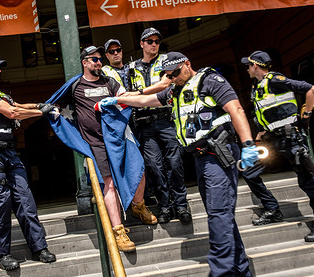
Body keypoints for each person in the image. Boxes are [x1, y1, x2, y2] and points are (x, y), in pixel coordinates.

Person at [101, 52, 259, 276]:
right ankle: (241, 269)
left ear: (187, 64)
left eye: (175, 73)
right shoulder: (175, 90)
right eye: (168, 75)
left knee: (218, 214)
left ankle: (222, 272)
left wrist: (248, 144)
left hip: (218, 155)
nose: (172, 77)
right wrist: (119, 99)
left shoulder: (210, 81)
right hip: (200, 159)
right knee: (222, 215)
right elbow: (147, 100)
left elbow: (236, 109)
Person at [47, 45, 157, 253]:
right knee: (109, 185)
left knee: (139, 169)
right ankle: (118, 231)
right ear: (85, 62)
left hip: (119, 138)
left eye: (100, 59)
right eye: (94, 59)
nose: (99, 62)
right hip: (96, 143)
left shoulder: (110, 82)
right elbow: (53, 105)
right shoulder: (75, 85)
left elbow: (126, 97)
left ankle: (138, 206)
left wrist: (118, 98)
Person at [0, 52, 56, 271]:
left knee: (25, 199)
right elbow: (12, 112)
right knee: (0, 203)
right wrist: (42, 112)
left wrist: (40, 105)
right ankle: (2, 254)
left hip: (8, 152)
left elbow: (19, 104)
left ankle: (39, 248)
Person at [241, 50, 314, 242]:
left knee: (307, 182)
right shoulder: (256, 85)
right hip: (271, 140)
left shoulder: (275, 79)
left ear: (256, 65)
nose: (247, 69)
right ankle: (273, 210)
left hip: (291, 139)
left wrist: (307, 114)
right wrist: (261, 132)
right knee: (249, 172)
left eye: (248, 65)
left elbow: (312, 89)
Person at [128, 28, 191, 224]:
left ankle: (181, 205)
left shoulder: (167, 61)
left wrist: (139, 93)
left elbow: (165, 85)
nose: (154, 44)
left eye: (156, 41)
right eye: (149, 41)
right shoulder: (131, 67)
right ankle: (165, 205)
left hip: (166, 120)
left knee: (175, 164)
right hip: (144, 124)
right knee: (154, 166)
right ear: (141, 44)